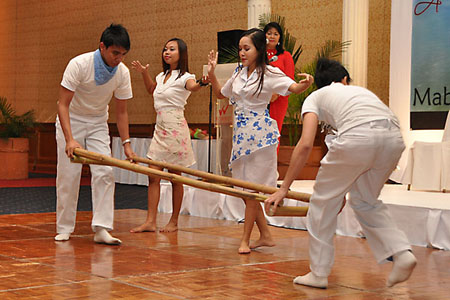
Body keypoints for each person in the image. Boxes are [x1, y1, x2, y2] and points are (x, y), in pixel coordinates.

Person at [265, 58, 417, 288]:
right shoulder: (359, 92)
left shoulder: (314, 97)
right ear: (344, 79)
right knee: (365, 200)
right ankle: (401, 252)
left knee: (321, 204)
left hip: (358, 137)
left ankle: (318, 273)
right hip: (393, 137)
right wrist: (338, 190)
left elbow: (306, 144)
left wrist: (283, 188)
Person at [207, 28, 314, 254]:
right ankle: (265, 235)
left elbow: (293, 87)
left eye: (247, 48)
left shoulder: (270, 72)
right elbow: (220, 94)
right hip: (241, 136)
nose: (242, 53)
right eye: (240, 49)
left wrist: (305, 84)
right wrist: (212, 73)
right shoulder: (237, 73)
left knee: (252, 190)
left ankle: (245, 239)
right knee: (243, 188)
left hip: (261, 137)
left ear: (259, 49)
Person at [55, 24, 135, 245]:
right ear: (102, 47)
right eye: (115, 53)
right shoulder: (79, 64)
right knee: (68, 176)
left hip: (99, 122)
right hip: (71, 120)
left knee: (105, 172)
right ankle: (64, 227)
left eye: (123, 54)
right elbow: (62, 105)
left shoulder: (123, 73)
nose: (119, 59)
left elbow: (121, 112)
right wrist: (70, 139)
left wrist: (127, 144)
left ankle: (102, 228)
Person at [130, 38, 208, 233]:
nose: (167, 52)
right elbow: (151, 90)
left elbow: (193, 86)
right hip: (160, 128)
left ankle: (174, 221)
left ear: (181, 53)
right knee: (153, 175)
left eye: (172, 49)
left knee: (176, 177)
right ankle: (150, 221)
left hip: (175, 129)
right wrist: (144, 73)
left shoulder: (185, 76)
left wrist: (203, 82)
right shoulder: (161, 75)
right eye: (165, 49)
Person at [264, 22, 295, 152]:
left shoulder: (285, 56)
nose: (272, 36)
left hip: (278, 100)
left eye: (276, 34)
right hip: (258, 99)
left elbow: (290, 80)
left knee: (273, 134)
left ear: (279, 38)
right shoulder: (257, 54)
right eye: (269, 33)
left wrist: (276, 94)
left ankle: (271, 168)